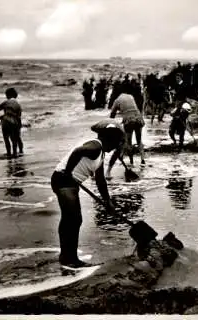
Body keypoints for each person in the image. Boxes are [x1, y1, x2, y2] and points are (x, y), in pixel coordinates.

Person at [51, 123, 123, 268]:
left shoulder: (100, 154)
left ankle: (66, 256)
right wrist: (68, 171)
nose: (115, 147)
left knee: (70, 219)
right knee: (74, 219)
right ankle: (70, 259)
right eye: (115, 142)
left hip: (70, 182)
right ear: (109, 139)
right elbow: (78, 151)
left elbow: (100, 180)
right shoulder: (96, 147)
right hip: (64, 180)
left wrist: (108, 201)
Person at [108, 87, 146, 178]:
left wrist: (111, 124)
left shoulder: (117, 100)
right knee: (139, 140)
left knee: (128, 141)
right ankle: (142, 160)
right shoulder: (130, 96)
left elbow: (112, 115)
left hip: (129, 120)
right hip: (138, 118)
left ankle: (131, 161)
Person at [0, 87, 24, 158]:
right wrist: (19, 126)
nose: (6, 96)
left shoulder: (6, 102)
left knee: (6, 139)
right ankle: (17, 153)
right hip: (14, 122)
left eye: (6, 95)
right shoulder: (18, 105)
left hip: (5, 121)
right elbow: (18, 117)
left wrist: (2, 114)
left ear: (9, 95)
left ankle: (9, 153)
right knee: (15, 139)